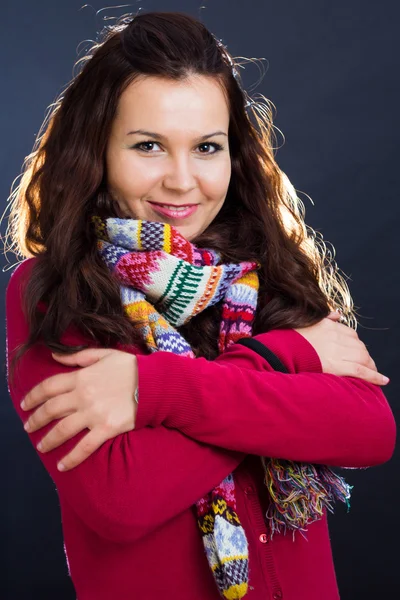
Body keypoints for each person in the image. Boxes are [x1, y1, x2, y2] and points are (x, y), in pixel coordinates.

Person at [5, 11, 395, 600]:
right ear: (97, 151)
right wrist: (284, 359)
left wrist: (151, 389)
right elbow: (121, 499)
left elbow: (368, 429)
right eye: (148, 146)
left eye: (207, 147)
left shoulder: (265, 266)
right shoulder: (53, 289)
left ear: (232, 155)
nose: (183, 180)